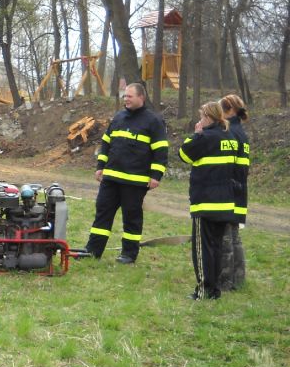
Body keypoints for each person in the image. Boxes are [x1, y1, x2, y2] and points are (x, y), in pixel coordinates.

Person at [84, 82, 169, 263]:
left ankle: (129, 254)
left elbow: (161, 151)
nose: (126, 99)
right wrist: (100, 166)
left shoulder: (153, 121)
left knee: (132, 218)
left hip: (135, 181)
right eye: (124, 96)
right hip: (111, 178)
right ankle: (93, 250)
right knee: (102, 213)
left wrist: (156, 176)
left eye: (129, 96)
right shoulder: (118, 118)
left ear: (141, 97)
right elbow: (106, 144)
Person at [179, 101, 241, 300]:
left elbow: (184, 154)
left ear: (208, 117)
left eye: (201, 117)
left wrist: (196, 134)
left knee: (202, 250)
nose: (199, 121)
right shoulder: (230, 137)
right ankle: (214, 290)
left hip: (205, 203)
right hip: (226, 203)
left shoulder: (205, 137)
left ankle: (205, 290)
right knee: (216, 247)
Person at [219, 93, 250, 290]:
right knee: (235, 236)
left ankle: (225, 281)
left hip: (228, 190)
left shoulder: (229, 132)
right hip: (239, 189)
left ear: (229, 110)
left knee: (225, 238)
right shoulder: (241, 132)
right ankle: (239, 279)